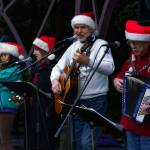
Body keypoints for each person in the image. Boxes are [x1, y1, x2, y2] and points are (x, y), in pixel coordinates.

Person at [50, 12, 115, 150]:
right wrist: (55, 80)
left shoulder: (101, 44)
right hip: (75, 100)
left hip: (96, 100)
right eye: (76, 27)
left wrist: (88, 61)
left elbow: (110, 68)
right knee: (76, 142)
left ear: (91, 29)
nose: (79, 31)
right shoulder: (72, 46)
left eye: (83, 27)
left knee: (87, 143)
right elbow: (57, 67)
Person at [113, 20, 150, 150]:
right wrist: (116, 81)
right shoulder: (133, 56)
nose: (133, 47)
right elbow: (121, 74)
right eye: (130, 43)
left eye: (137, 43)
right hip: (131, 122)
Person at [28, 35, 60, 150]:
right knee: (34, 140)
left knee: (46, 141)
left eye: (37, 49)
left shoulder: (54, 68)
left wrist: (49, 109)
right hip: (35, 109)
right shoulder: (36, 67)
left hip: (48, 111)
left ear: (46, 51)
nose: (34, 53)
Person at [0, 42, 24, 150]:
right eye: (1, 55)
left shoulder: (15, 69)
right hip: (5, 104)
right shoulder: (5, 69)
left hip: (8, 105)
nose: (3, 57)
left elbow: (3, 78)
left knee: (5, 139)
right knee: (3, 139)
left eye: (6, 54)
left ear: (12, 56)